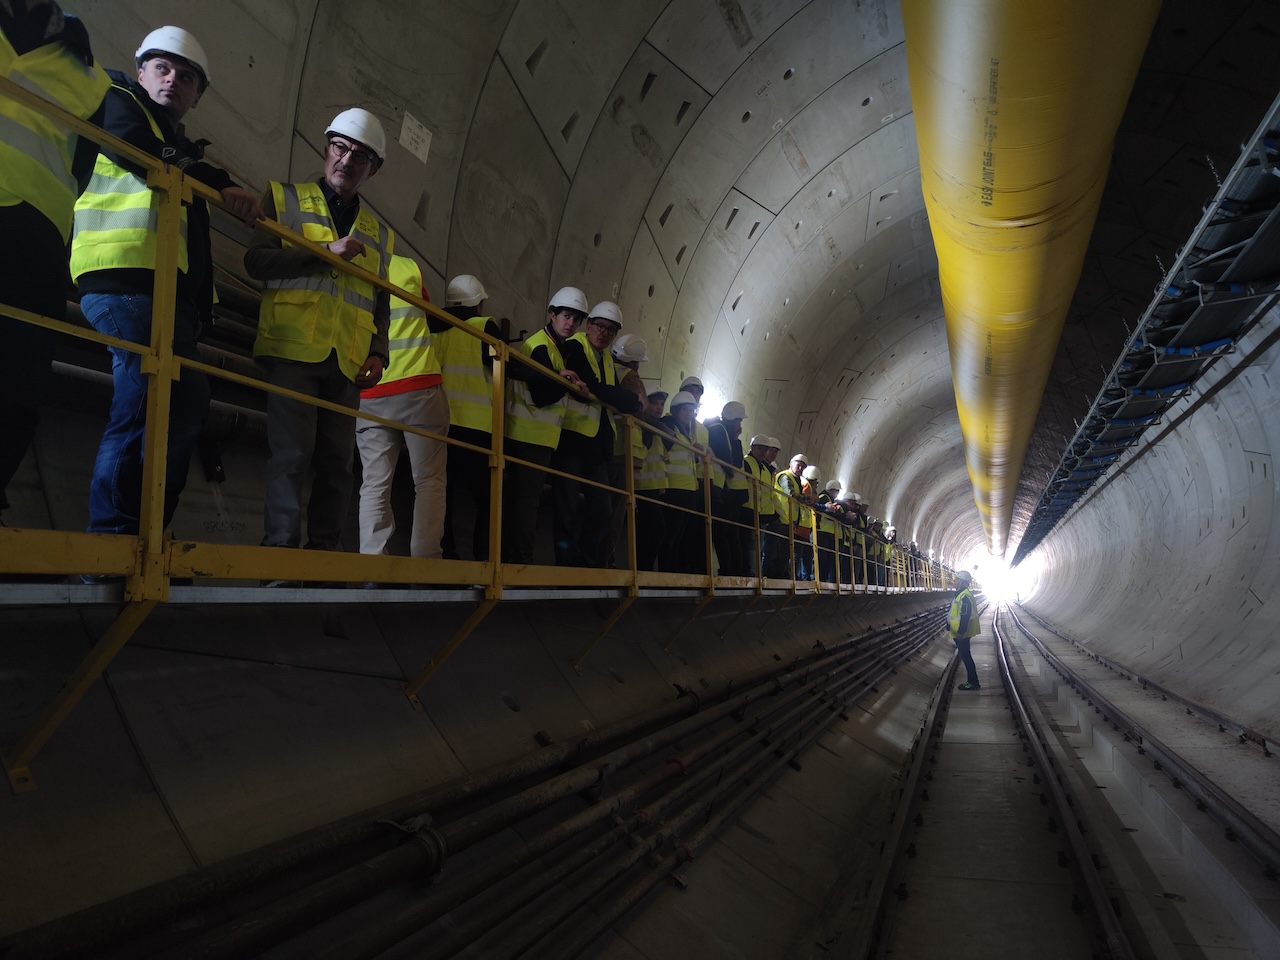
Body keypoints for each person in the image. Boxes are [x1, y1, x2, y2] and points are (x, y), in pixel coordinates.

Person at [71, 26, 262, 554]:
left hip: (166, 298)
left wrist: (202, 308)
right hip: (120, 277)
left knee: (188, 402)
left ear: (198, 95)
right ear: (141, 71)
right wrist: (215, 178)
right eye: (163, 67)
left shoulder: (181, 152)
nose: (173, 79)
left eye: (187, 76)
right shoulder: (117, 99)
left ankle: (148, 531)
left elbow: (192, 245)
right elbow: (138, 150)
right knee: (142, 399)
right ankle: (109, 543)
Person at [245, 107, 393, 559]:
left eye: (361, 156)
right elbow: (257, 263)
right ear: (326, 147)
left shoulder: (378, 235)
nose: (347, 161)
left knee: (337, 467)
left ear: (373, 169)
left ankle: (324, 553)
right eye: (341, 148)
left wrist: (379, 351)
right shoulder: (284, 199)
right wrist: (323, 253)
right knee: (290, 457)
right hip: (293, 348)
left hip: (347, 361)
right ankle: (281, 555)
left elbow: (381, 298)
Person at [0, 0, 108, 525]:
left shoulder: (88, 76)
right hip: (30, 240)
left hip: (32, 243)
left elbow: (89, 166)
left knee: (19, 385)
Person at [355, 254, 453, 568]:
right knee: (428, 480)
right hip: (418, 386)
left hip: (371, 388)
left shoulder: (349, 258)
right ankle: (425, 562)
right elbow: (423, 312)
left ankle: (373, 563)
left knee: (374, 482)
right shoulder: (409, 266)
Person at [502, 286, 588, 564]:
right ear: (552, 315)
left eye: (576, 319)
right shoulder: (541, 345)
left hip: (534, 435)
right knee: (527, 501)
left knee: (522, 500)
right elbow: (542, 395)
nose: (570, 323)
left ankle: (515, 556)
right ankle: (521, 560)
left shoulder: (553, 347)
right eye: (566, 316)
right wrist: (567, 384)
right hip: (529, 435)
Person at [553, 300, 640, 566]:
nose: (604, 333)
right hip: (572, 440)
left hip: (598, 446)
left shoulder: (606, 360)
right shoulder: (576, 346)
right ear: (589, 326)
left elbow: (604, 392)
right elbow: (595, 387)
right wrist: (625, 399)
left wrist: (617, 397)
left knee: (602, 511)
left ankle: (585, 562)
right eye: (600, 326)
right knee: (565, 508)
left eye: (610, 330)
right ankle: (566, 566)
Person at [438, 274, 501, 562]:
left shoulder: (434, 324)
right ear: (478, 304)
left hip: (439, 423)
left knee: (442, 494)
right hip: (477, 427)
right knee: (487, 498)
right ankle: (484, 559)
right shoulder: (484, 327)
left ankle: (445, 553)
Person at [659, 390, 708, 573]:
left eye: (691, 410)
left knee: (679, 535)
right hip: (674, 488)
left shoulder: (687, 433)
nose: (689, 413)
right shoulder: (668, 426)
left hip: (688, 489)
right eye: (685, 409)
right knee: (671, 534)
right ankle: (667, 572)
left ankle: (674, 571)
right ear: (675, 410)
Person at [705, 400, 749, 576]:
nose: (739, 425)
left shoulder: (724, 433)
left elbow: (732, 463)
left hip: (730, 492)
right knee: (727, 532)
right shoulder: (719, 431)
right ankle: (731, 570)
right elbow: (731, 462)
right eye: (738, 420)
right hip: (729, 492)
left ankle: (730, 570)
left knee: (725, 532)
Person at [742, 434, 778, 578]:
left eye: (765, 449)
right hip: (747, 509)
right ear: (752, 448)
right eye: (760, 448)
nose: (763, 452)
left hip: (758, 511)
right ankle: (751, 573)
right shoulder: (747, 462)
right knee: (750, 544)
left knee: (757, 545)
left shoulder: (762, 467)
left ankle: (755, 573)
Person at [949, 569, 981, 690]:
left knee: (966, 657)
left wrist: (961, 632)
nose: (954, 581)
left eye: (956, 579)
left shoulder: (964, 596)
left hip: (962, 633)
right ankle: (973, 681)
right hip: (959, 632)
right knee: (965, 656)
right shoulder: (960, 594)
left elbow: (965, 616)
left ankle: (973, 682)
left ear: (962, 582)